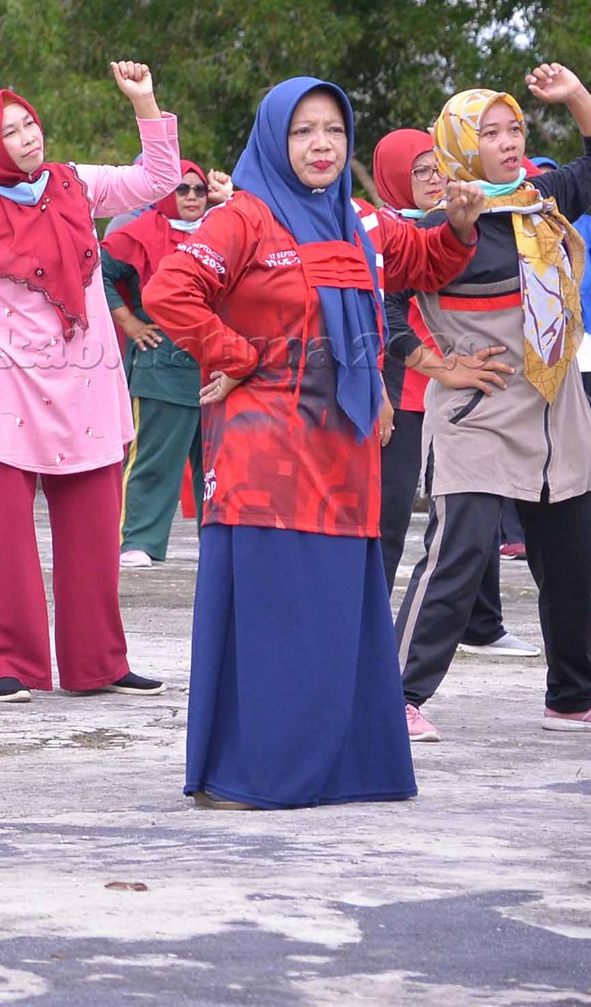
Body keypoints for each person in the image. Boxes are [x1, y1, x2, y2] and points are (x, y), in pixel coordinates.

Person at [143, 76, 484, 807]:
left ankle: (344, 768)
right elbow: (169, 291)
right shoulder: (244, 219)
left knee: (334, 612)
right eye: (303, 131)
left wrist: (456, 227)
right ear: (275, 139)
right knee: (273, 614)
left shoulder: (360, 221)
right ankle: (254, 773)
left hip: (346, 446)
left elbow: (423, 262)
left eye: (332, 129)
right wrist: (238, 356)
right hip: (264, 452)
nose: (321, 144)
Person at [0, 64, 177, 704]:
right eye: (10, 132)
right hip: (6, 386)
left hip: (88, 385)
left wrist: (145, 102)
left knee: (96, 532)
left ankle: (98, 662)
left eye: (30, 124)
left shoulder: (78, 185)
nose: (26, 138)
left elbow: (158, 179)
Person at [394, 71, 591, 738]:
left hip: (557, 410)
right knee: (458, 552)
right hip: (478, 411)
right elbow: (378, 306)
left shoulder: (540, 198)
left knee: (575, 556)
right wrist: (436, 364)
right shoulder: (435, 224)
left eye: (514, 128)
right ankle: (392, 696)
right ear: (461, 143)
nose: (510, 142)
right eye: (490, 132)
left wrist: (572, 94)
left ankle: (571, 696)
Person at [370, 130, 531, 658]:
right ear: (396, 178)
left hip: (459, 388)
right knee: (391, 515)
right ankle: (369, 626)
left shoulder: (463, 223)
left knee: (471, 510)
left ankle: (482, 623)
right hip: (403, 385)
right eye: (420, 170)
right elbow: (371, 319)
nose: (435, 178)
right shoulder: (382, 233)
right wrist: (379, 392)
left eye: (439, 166)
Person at [101, 159, 214, 568]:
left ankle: (218, 544)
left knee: (217, 463)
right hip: (161, 362)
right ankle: (140, 541)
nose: (191, 197)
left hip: (216, 362)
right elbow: (95, 271)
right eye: (182, 189)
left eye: (199, 190)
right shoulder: (140, 232)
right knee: (155, 458)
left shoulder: (222, 229)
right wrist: (127, 321)